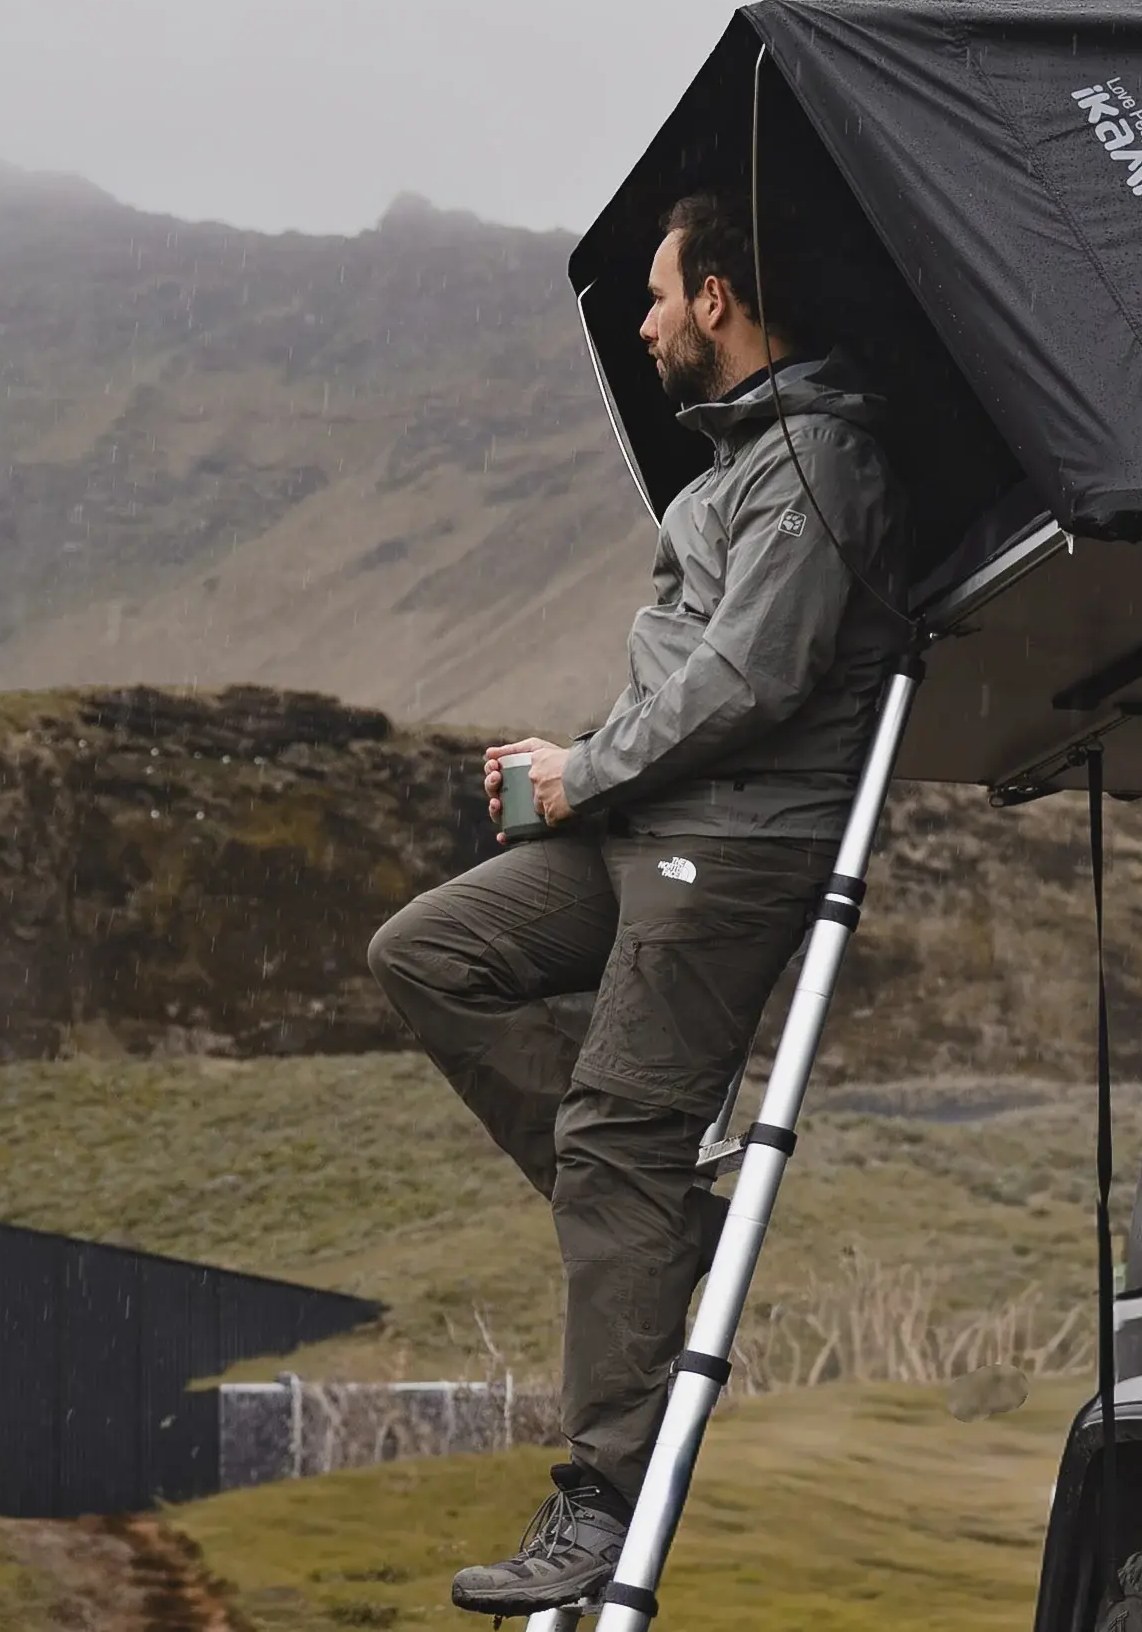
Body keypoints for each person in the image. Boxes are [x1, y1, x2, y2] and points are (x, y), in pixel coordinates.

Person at [367, 189, 906, 1617]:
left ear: (721, 302)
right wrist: (580, 782)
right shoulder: (732, 467)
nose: (650, 322)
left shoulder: (816, 455)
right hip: (641, 825)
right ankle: (652, 1213)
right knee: (428, 952)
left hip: (726, 848)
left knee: (615, 1128)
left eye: (663, 297)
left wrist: (578, 771)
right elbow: (695, 674)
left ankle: (597, 1494)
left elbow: (754, 680)